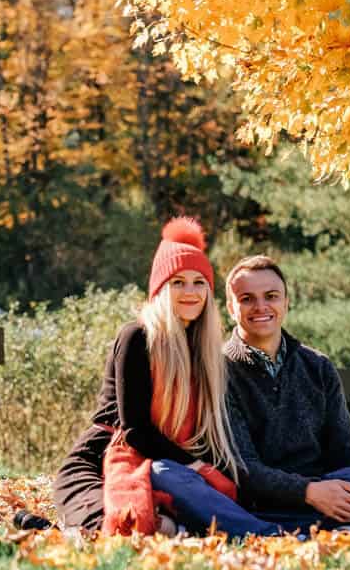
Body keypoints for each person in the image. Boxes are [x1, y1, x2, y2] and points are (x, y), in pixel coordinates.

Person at [53, 219, 288, 539]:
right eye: (178, 282)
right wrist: (197, 468)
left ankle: (200, 529)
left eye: (198, 282)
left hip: (168, 465)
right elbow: (137, 432)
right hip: (103, 459)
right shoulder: (138, 337)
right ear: (161, 289)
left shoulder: (205, 351)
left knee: (213, 500)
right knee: (123, 527)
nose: (190, 292)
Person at [224, 255, 350, 533]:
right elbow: (243, 467)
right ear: (231, 308)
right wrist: (308, 492)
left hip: (325, 486)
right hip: (259, 496)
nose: (261, 306)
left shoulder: (318, 366)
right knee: (234, 505)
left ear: (286, 302)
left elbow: (343, 446)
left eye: (271, 296)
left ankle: (294, 526)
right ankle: (320, 526)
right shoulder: (220, 371)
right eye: (247, 299)